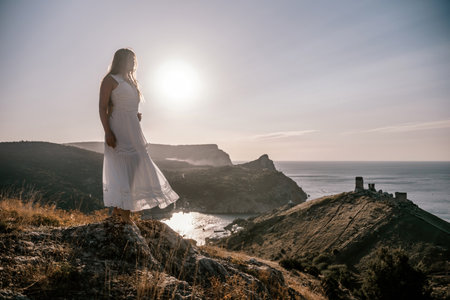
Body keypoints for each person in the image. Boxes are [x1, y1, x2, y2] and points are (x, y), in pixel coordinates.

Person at [99, 48, 179, 223]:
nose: (133, 63)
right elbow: (102, 107)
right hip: (118, 128)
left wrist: (135, 115)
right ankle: (123, 215)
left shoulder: (131, 82)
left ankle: (120, 213)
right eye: (130, 60)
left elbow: (129, 105)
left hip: (132, 128)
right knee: (121, 167)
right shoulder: (110, 80)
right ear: (121, 60)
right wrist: (108, 132)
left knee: (135, 165)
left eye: (134, 60)